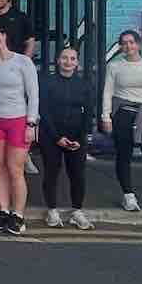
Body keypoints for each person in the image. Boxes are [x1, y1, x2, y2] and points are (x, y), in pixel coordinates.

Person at [0, 24, 38, 235]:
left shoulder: (23, 62)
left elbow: (34, 95)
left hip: (18, 121)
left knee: (15, 170)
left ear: (4, 36)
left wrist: (31, 124)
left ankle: (18, 215)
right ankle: (4, 211)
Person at [100, 29, 142, 212]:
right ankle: (129, 196)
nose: (128, 46)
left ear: (139, 45)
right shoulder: (115, 66)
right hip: (123, 113)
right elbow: (107, 92)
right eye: (124, 43)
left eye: (132, 42)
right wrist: (106, 116)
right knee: (123, 155)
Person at [40, 47, 94, 229]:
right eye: (64, 58)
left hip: (76, 136)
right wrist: (56, 137)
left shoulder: (85, 84)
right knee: (51, 173)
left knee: (78, 174)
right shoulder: (47, 82)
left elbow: (88, 114)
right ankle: (52, 210)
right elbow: (44, 111)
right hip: (51, 136)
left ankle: (77, 211)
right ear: (58, 60)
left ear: (77, 63)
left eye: (72, 58)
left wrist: (80, 137)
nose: (68, 61)